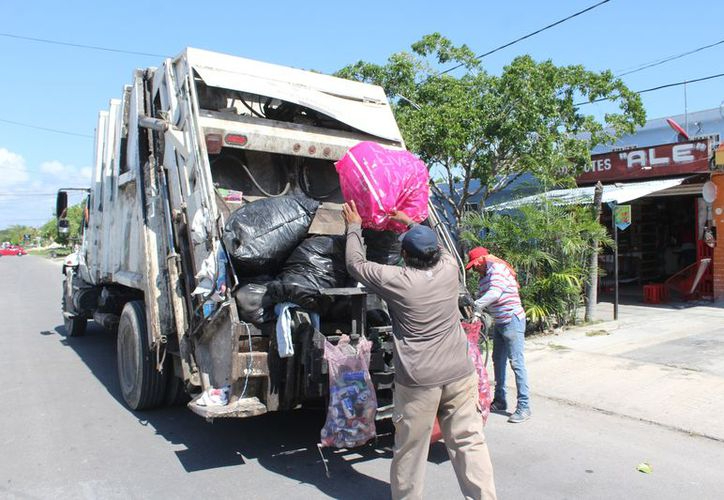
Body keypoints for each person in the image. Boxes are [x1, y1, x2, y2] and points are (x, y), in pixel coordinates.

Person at [343, 200, 496, 500]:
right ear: (436, 253)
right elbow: (435, 242)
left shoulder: (398, 280)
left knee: (411, 449)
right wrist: (410, 222)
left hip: (419, 380)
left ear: (403, 256)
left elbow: (355, 265)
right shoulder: (450, 268)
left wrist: (353, 226)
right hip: (459, 373)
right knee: (469, 441)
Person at [466, 247, 531, 424]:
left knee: (516, 363)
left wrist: (476, 305)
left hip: (512, 320)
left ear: (481, 260)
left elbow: (494, 294)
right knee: (497, 360)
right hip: (500, 322)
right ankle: (500, 399)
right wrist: (475, 314)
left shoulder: (497, 269)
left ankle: (524, 406)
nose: (474, 269)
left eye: (474, 265)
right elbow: (482, 298)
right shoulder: (484, 277)